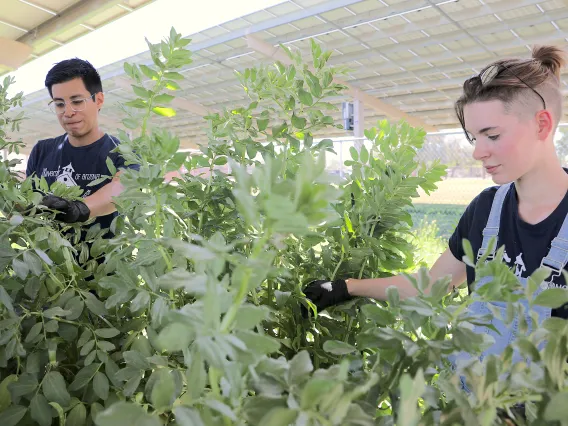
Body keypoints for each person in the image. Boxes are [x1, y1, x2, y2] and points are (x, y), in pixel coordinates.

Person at [303, 45, 568, 348]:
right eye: (474, 137)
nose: (478, 152)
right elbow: (430, 286)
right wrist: (344, 287)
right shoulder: (486, 209)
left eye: (492, 135)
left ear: (542, 124)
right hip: (478, 391)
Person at [25, 58, 138, 239]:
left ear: (99, 100)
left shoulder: (124, 152)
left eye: (77, 101)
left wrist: (80, 209)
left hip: (99, 264)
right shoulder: (41, 151)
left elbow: (121, 188)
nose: (68, 112)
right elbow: (27, 202)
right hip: (45, 264)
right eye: (60, 104)